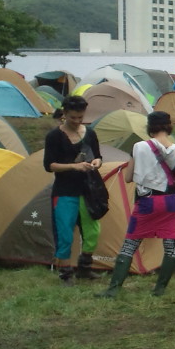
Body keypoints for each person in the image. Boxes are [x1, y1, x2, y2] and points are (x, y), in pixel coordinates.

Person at [99, 111, 175, 298]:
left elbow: (128, 177)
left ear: (149, 127)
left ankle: (113, 289)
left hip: (147, 202)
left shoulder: (139, 147)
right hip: (171, 202)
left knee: (130, 244)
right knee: (170, 246)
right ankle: (159, 289)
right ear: (169, 126)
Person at [43, 95, 103, 285]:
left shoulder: (90, 133)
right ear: (64, 114)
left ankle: (84, 267)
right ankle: (66, 273)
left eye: (80, 117)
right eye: (73, 118)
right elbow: (49, 165)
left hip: (88, 190)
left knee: (92, 231)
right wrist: (74, 166)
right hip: (64, 191)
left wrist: (97, 162)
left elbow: (98, 156)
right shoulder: (54, 136)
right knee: (65, 233)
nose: (77, 121)